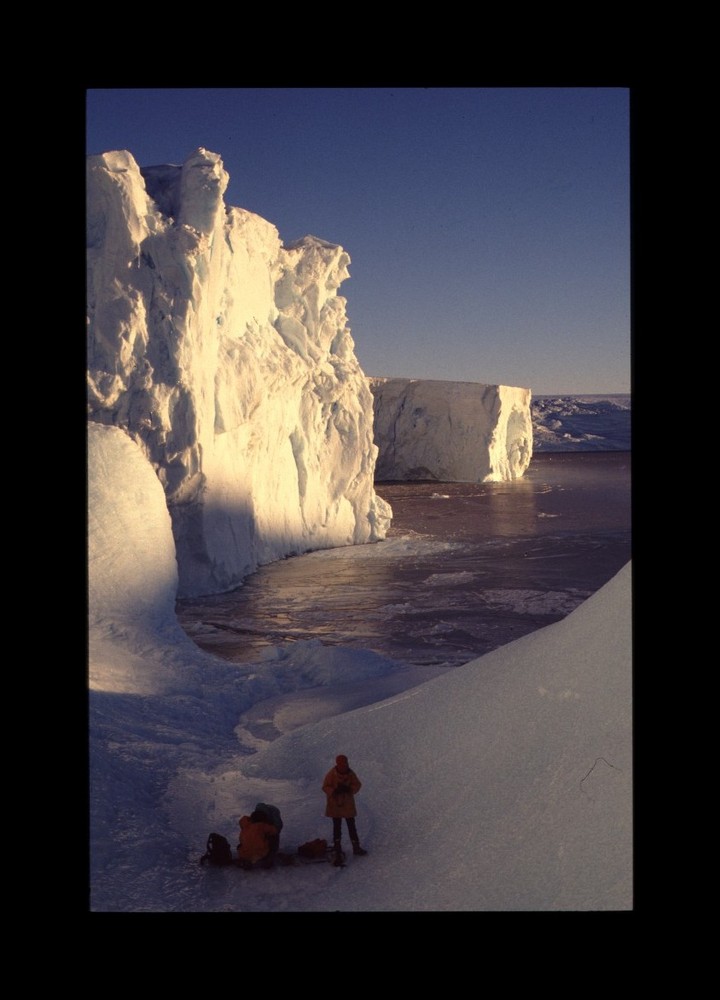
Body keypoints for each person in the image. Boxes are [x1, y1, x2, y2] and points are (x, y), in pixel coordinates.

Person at [322, 754, 367, 865]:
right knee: (337, 828)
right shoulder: (331, 774)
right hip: (336, 805)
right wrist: (334, 791)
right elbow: (325, 786)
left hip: (347, 804)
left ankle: (356, 847)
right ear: (337, 763)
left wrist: (349, 789)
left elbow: (357, 785)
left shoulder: (351, 774)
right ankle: (337, 848)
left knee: (351, 826)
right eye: (341, 763)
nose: (343, 765)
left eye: (345, 763)